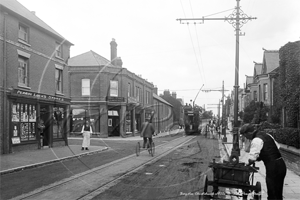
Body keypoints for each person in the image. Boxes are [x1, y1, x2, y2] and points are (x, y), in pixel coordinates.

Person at [240, 123, 287, 200]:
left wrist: (247, 164)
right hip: (281, 164)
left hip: (272, 167)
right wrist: (261, 156)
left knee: (272, 192)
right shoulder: (268, 135)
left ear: (248, 133)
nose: (246, 138)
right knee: (278, 191)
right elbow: (276, 148)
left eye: (245, 136)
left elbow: (252, 159)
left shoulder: (256, 140)